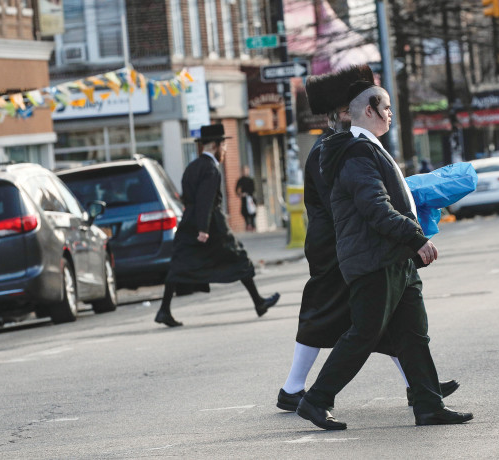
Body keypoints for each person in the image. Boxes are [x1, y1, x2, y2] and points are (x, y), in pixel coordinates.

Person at [277, 67, 458, 412]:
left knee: (395, 324)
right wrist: (407, 231)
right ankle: (300, 392)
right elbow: (362, 202)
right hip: (340, 246)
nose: (385, 114)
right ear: (345, 113)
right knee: (349, 323)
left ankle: (423, 393)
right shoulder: (339, 149)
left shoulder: (346, 146)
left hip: (361, 245)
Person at [154, 124, 280, 327]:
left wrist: (195, 224)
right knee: (239, 259)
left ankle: (164, 310)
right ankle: (259, 303)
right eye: (223, 145)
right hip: (212, 226)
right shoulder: (210, 169)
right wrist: (203, 229)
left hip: (189, 222)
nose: (225, 150)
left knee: (179, 265)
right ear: (214, 146)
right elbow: (206, 200)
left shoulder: (192, 167)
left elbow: (188, 198)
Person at [235, 165, 256, 231]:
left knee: (252, 212)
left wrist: (247, 193)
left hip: (250, 199)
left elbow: (253, 189)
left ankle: (252, 225)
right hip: (244, 199)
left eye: (246, 170)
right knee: (244, 212)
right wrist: (240, 194)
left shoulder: (250, 180)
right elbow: (237, 189)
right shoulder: (240, 180)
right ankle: (248, 224)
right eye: (243, 171)